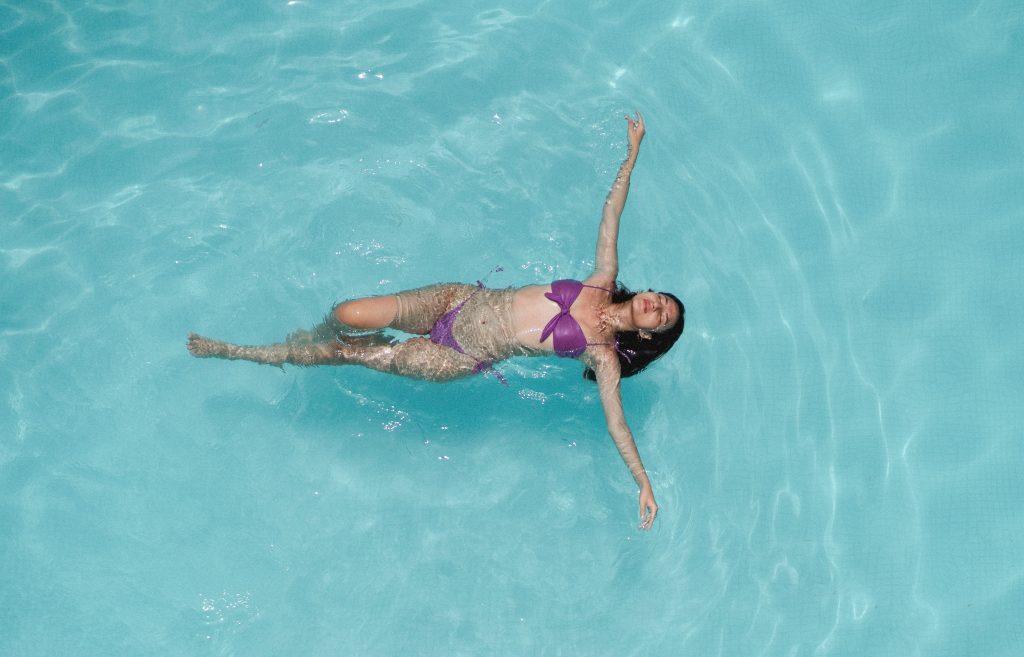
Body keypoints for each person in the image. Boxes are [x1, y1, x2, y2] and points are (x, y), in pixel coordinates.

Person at [188, 112, 684, 529]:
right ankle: (309, 340)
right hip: (456, 300)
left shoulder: (602, 355)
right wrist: (632, 154)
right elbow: (611, 214)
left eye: (662, 318)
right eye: (662, 298)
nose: (657, 306)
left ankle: (244, 352)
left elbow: (617, 423)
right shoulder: (602, 277)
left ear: (648, 333)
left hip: (455, 355)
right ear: (647, 292)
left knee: (344, 353)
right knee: (346, 313)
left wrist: (642, 483)